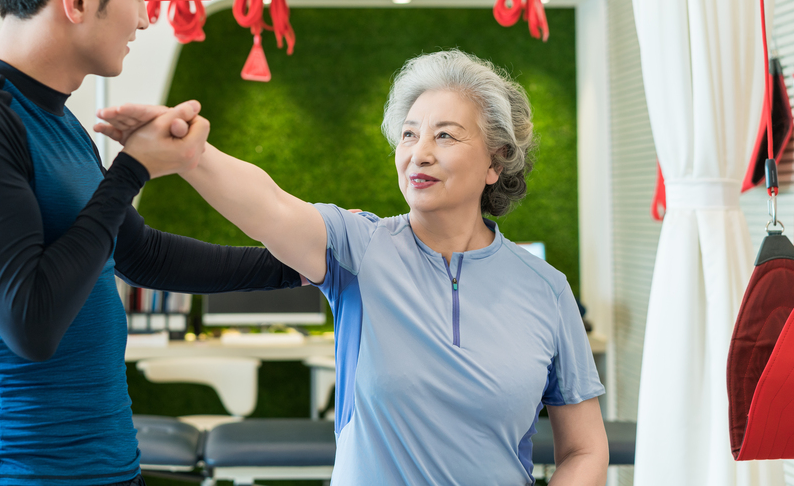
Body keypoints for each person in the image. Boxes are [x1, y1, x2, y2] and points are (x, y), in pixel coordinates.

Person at [0, 0, 302, 486]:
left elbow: (139, 252)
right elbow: (31, 321)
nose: (144, 18)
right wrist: (132, 169)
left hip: (111, 472)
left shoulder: (55, 119)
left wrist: (305, 265)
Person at [99, 49, 610, 485]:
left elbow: (584, 449)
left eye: (446, 136)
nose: (419, 154)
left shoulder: (546, 289)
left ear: (496, 162)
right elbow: (271, 207)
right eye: (408, 136)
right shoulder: (360, 247)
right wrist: (195, 155)